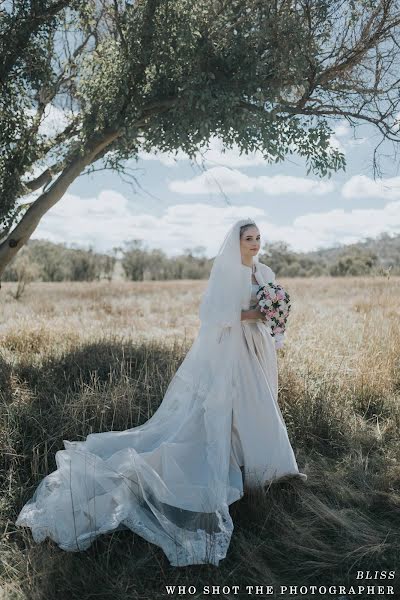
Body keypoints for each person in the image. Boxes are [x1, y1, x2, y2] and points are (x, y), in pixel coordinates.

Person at [15, 218, 307, 567]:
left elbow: (274, 307)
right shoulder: (229, 272)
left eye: (258, 237)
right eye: (249, 238)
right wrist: (254, 313)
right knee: (235, 406)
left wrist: (275, 315)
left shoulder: (265, 271)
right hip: (232, 352)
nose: (255, 243)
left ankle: (265, 470)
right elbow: (212, 313)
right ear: (237, 242)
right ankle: (248, 470)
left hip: (256, 348)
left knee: (259, 404)